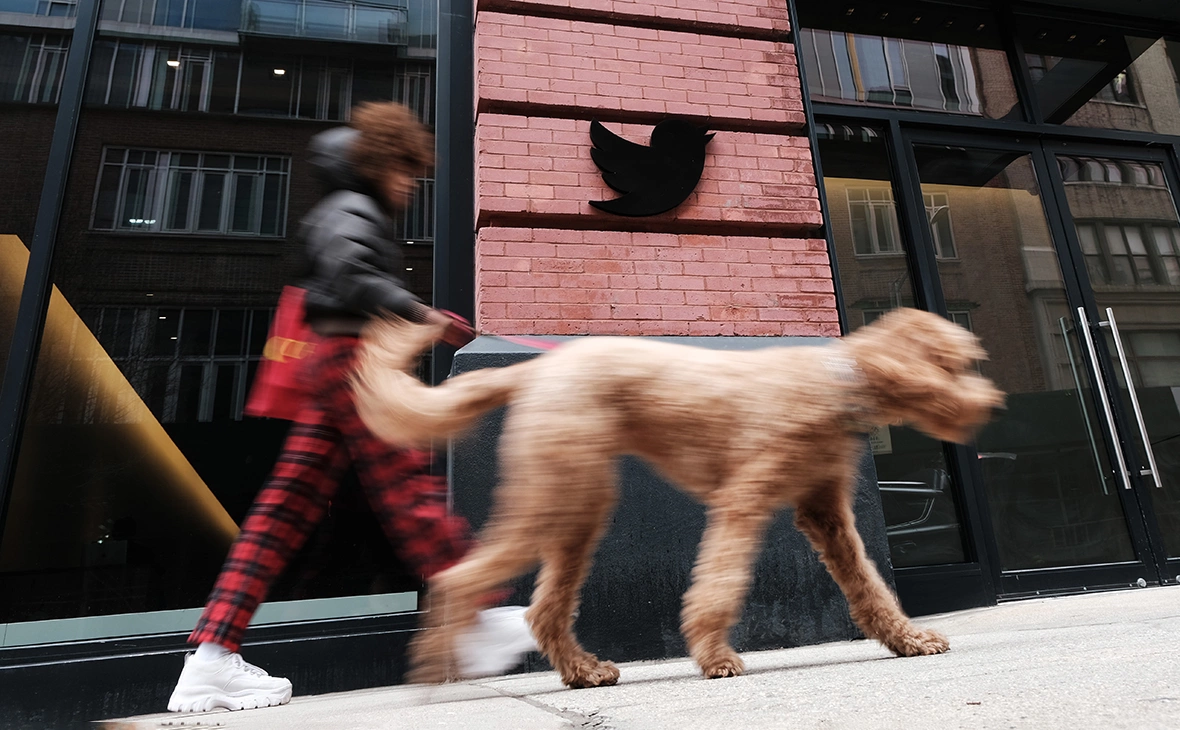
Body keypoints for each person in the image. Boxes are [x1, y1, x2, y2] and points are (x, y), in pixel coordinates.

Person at [167, 101, 535, 714]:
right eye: (404, 170)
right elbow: (349, 273)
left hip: (331, 366)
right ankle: (476, 617)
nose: (408, 184)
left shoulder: (340, 206)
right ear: (379, 160)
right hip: (350, 365)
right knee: (406, 489)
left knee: (280, 515)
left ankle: (211, 658)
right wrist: (426, 316)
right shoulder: (351, 208)